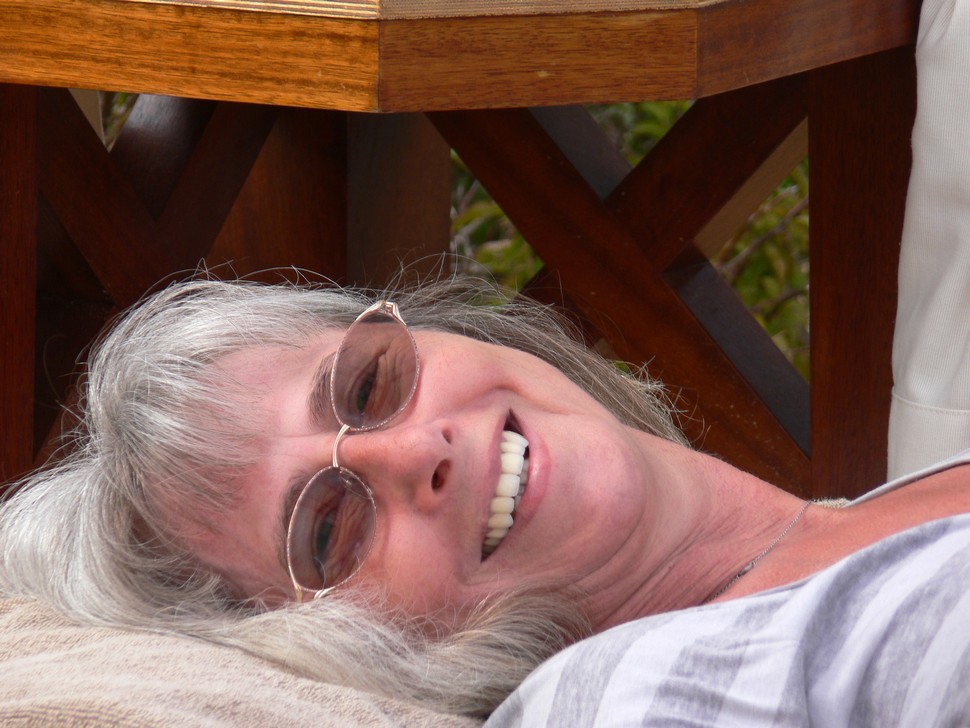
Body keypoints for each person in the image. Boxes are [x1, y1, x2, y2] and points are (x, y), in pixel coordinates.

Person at [1, 1, 968, 725]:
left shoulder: (864, 525)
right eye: (328, 532)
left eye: (371, 385)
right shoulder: (647, 698)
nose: (413, 451)